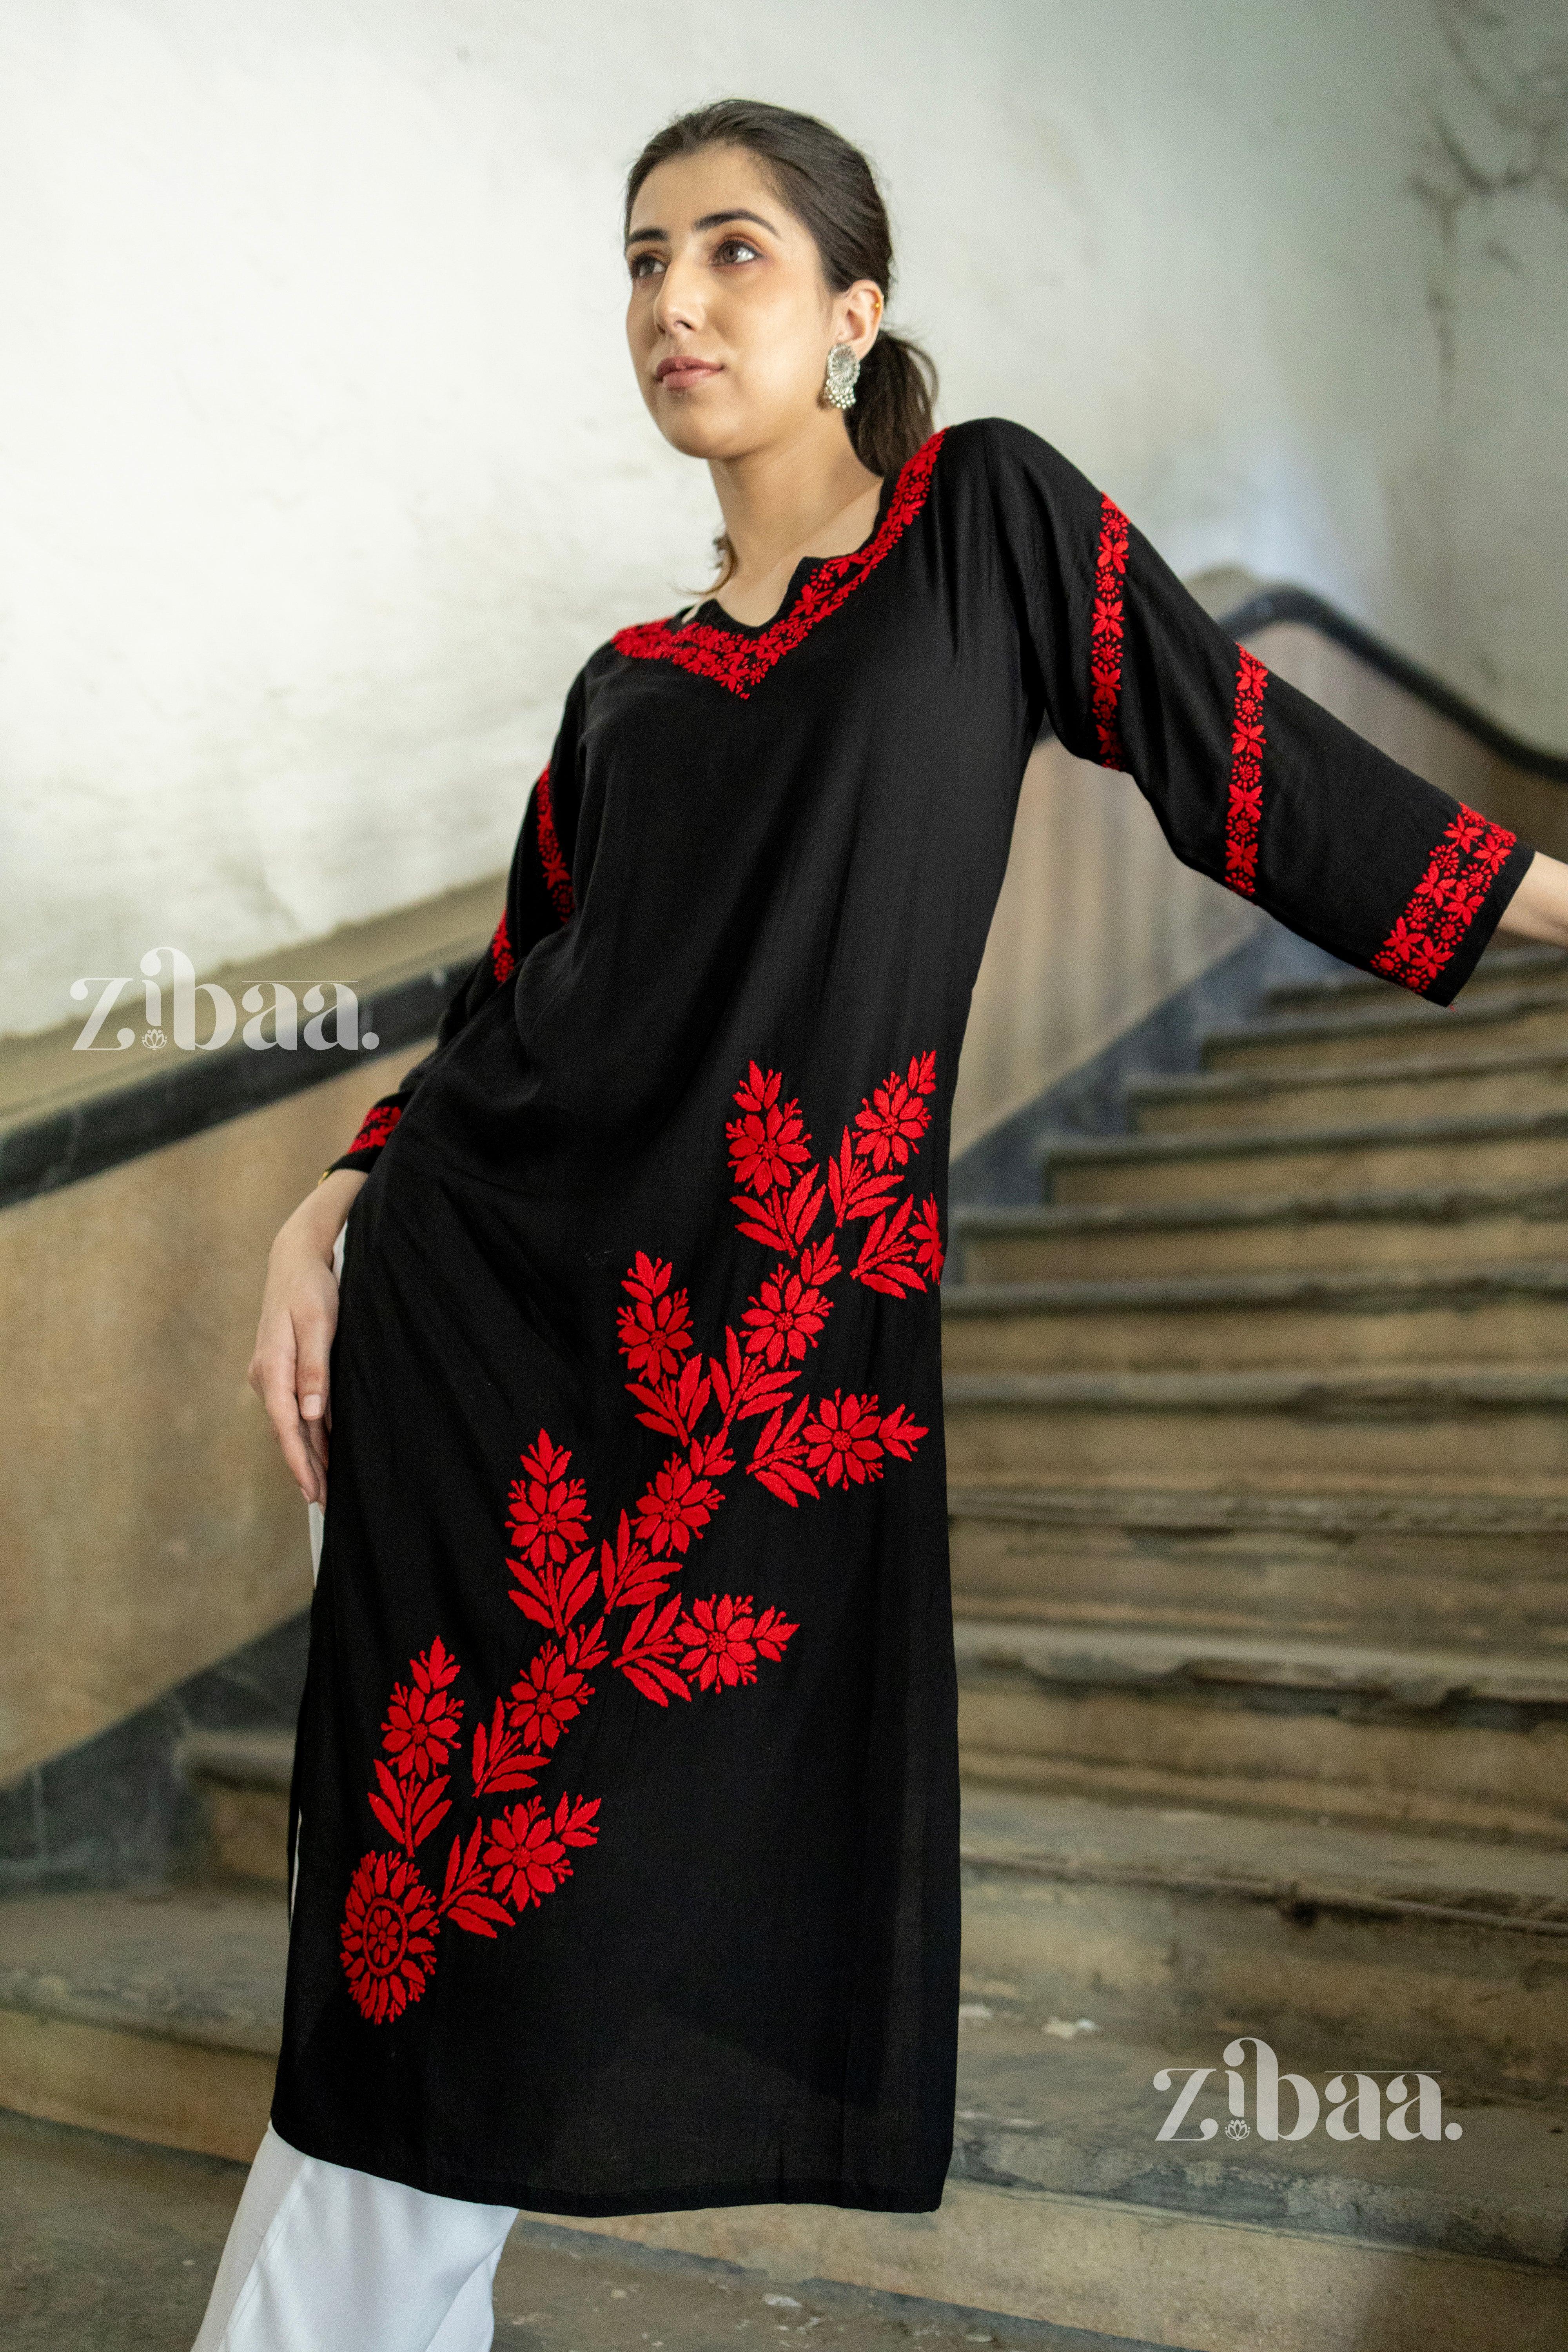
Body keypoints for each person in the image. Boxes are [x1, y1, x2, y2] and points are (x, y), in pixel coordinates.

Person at [195, 96, 1568, 2352]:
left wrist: (1552, 904)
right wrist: (331, 1200)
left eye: (732, 254)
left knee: (513, 1950)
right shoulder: (624, 695)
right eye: (641, 261)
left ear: (853, 311)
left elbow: (1255, 769)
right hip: (485, 1349)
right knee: (411, 1952)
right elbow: (518, 991)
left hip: (751, 1390)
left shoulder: (982, 529)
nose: (671, 303)